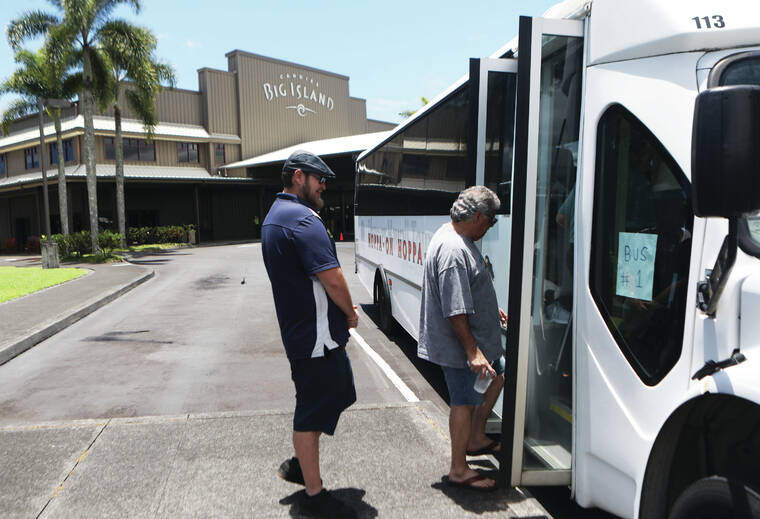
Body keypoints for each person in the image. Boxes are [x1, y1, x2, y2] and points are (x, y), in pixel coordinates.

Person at [261, 150, 359, 519]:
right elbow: (332, 278)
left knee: (339, 391)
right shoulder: (303, 220)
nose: (324, 186)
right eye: (320, 179)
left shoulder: (276, 215)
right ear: (299, 176)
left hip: (303, 334)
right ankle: (313, 493)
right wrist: (350, 312)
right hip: (317, 339)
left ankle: (301, 462)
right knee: (312, 409)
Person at [418, 186, 508, 492]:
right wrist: (472, 352)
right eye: (491, 221)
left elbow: (465, 290)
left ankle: (476, 437)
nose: (490, 227)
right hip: (461, 347)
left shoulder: (455, 237)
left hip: (478, 341)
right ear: (479, 217)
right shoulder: (454, 250)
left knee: (499, 373)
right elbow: (455, 310)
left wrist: (489, 308)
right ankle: (458, 468)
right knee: (463, 402)